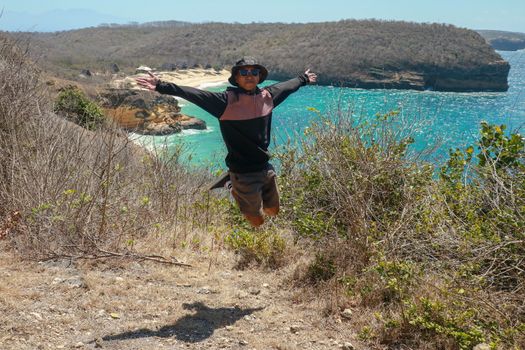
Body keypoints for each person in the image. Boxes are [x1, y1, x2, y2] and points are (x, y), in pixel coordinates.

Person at [136, 57, 317, 227]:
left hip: (265, 168)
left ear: (260, 77)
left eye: (254, 72)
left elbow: (288, 86)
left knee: (273, 211)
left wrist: (304, 78)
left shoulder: (268, 97)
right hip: (242, 173)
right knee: (257, 222)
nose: (249, 76)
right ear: (236, 78)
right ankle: (231, 185)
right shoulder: (224, 102)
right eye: (244, 73)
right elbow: (194, 94)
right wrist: (161, 85)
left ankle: (238, 186)